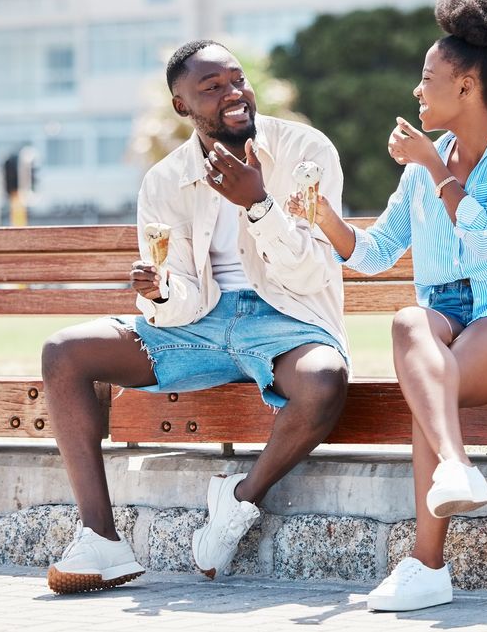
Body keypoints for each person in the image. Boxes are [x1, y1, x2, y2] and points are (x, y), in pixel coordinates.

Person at [287, 0, 487, 612]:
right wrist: (324, 217)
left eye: (427, 78)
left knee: (426, 383)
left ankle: (426, 564)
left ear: (466, 87)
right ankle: (455, 472)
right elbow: (375, 252)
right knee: (412, 325)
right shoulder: (423, 162)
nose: (417, 91)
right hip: (447, 318)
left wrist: (434, 170)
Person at [42, 40, 350, 594]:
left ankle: (238, 502)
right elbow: (182, 295)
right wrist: (160, 293)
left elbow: (311, 276)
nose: (233, 94)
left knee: (325, 380)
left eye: (238, 80)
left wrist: (257, 204)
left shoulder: (305, 150)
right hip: (200, 326)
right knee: (64, 352)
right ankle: (101, 540)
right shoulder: (164, 181)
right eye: (212, 88)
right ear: (182, 106)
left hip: (286, 318)